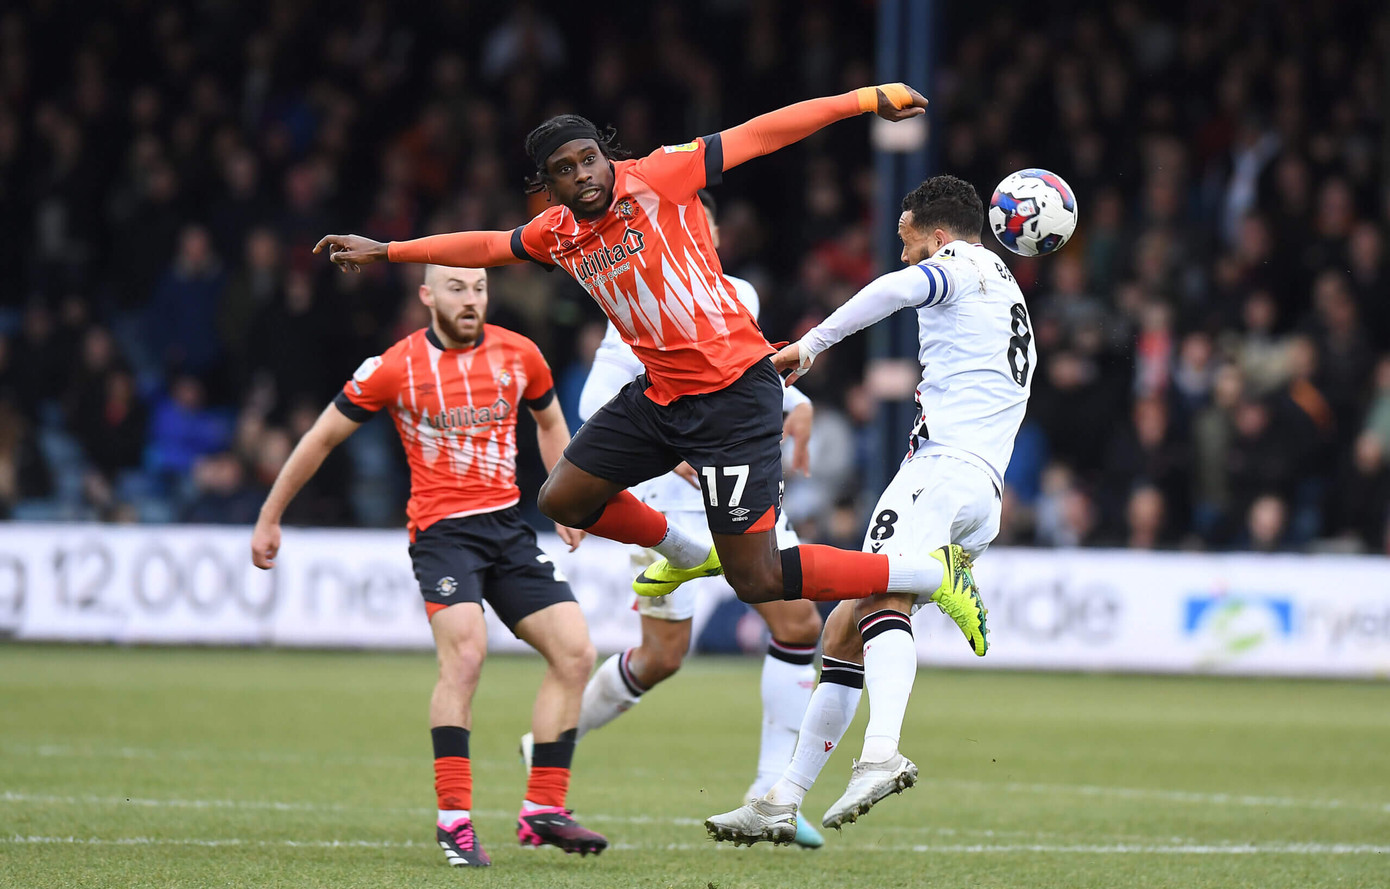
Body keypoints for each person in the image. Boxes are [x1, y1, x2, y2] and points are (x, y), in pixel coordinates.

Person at [312, 83, 986, 655]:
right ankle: (686, 551)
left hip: (733, 394)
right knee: (563, 498)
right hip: (663, 398)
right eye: (566, 170)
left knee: (756, 578)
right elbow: (489, 244)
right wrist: (388, 250)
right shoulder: (557, 232)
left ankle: (929, 573)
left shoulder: (662, 175)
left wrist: (863, 100)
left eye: (590, 159)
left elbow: (762, 133)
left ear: (607, 156)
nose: (584, 175)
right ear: (548, 186)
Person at [706, 174, 1035, 843]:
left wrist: (811, 343)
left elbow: (894, 290)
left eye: (906, 236)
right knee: (840, 632)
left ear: (937, 233)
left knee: (883, 587)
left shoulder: (957, 264)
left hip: (939, 471)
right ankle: (781, 800)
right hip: (980, 487)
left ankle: (882, 747)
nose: (903, 251)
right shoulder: (1003, 284)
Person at [250, 264, 607, 868]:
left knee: (575, 653)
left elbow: (551, 423)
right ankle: (455, 821)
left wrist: (564, 493)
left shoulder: (520, 354)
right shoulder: (395, 366)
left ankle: (543, 808)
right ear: (427, 297)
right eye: (456, 289)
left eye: (478, 289)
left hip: (508, 530)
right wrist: (269, 515)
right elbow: (320, 438)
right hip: (444, 536)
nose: (471, 300)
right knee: (466, 655)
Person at [524, 190, 826, 849]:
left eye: (706, 225)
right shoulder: (636, 296)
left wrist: (794, 400)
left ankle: (770, 791)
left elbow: (741, 371)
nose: (698, 235)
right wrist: (675, 446)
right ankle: (549, 738)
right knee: (664, 657)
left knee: (799, 619)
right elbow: (599, 399)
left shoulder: (737, 294)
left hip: (739, 482)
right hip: (669, 502)